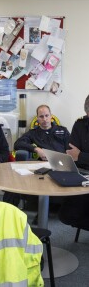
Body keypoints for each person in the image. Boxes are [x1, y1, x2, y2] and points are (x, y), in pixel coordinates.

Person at [9, 104, 70, 207]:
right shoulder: (33, 133)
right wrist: (36, 149)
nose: (45, 119)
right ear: (37, 118)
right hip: (43, 166)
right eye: (41, 116)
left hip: (60, 165)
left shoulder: (62, 130)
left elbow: (71, 148)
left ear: (51, 116)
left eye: (47, 115)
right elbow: (17, 144)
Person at [58, 95, 89, 230]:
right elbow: (71, 153)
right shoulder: (80, 124)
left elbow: (77, 155)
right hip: (81, 172)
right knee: (65, 216)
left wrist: (81, 155)